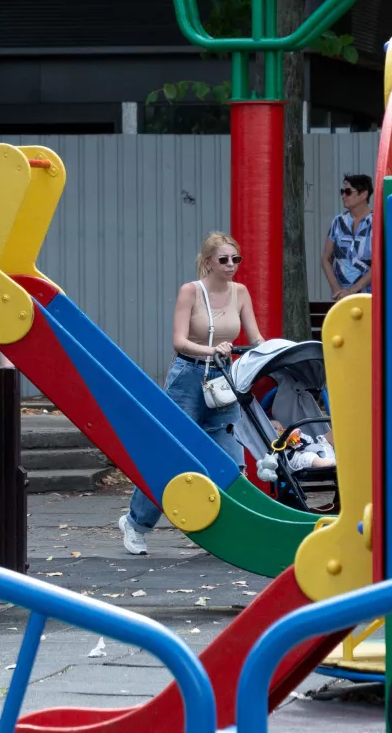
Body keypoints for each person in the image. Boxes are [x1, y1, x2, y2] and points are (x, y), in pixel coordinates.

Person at [118, 231, 263, 556]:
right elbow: (179, 341)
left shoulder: (240, 292)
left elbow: (255, 337)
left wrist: (269, 353)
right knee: (171, 454)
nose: (231, 265)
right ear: (208, 261)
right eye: (224, 259)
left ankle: (232, 532)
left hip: (223, 379)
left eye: (235, 259)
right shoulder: (191, 292)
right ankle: (136, 523)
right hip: (189, 376)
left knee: (231, 459)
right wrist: (212, 350)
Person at [322, 174, 373, 300]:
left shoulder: (377, 223)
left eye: (348, 192)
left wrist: (352, 290)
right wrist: (336, 289)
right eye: (342, 192)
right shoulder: (338, 222)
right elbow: (326, 258)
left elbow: (380, 263)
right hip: (341, 299)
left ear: (364, 194)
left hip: (369, 298)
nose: (343, 196)